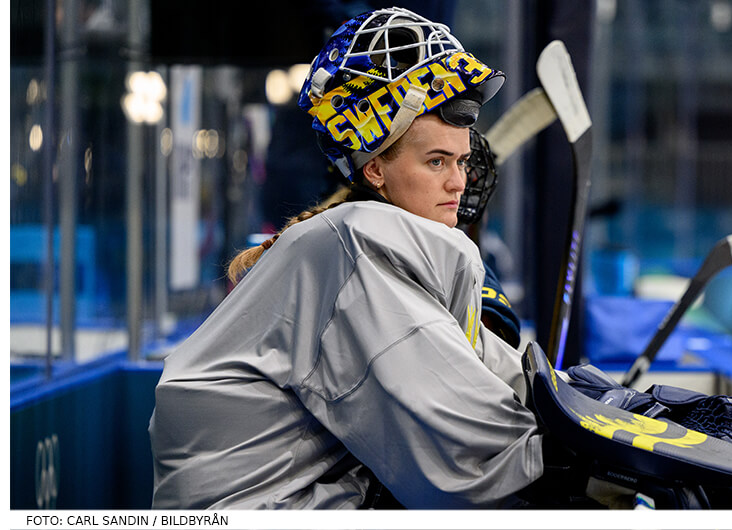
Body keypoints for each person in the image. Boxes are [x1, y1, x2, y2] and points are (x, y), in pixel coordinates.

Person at [149, 8, 549, 509]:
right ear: (375, 168)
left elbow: (506, 379)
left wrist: (588, 404)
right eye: (436, 162)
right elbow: (480, 460)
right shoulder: (356, 249)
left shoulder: (361, 240)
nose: (458, 182)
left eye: (462, 161)